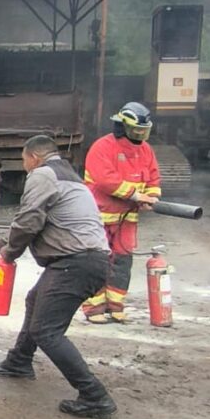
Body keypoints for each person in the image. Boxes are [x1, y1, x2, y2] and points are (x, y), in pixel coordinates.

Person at [0, 134, 116, 419]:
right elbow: (40, 221)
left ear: (33, 157)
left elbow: (29, 220)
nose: (25, 166)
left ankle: (95, 396)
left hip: (75, 263)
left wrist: (8, 253)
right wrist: (1, 243)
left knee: (47, 331)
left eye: (24, 160)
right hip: (86, 260)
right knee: (35, 300)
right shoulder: (69, 176)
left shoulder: (42, 175)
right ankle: (19, 361)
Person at [82, 102, 161, 323]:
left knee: (123, 261)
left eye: (143, 131)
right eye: (136, 130)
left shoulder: (146, 150)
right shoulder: (102, 147)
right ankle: (94, 307)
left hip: (127, 218)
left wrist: (152, 196)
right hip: (99, 216)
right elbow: (106, 180)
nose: (140, 135)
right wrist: (136, 196)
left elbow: (153, 177)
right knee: (97, 260)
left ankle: (116, 305)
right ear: (122, 126)